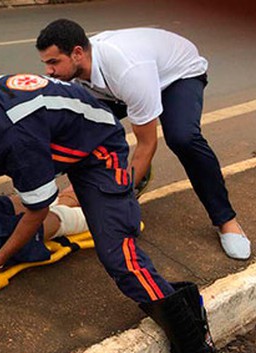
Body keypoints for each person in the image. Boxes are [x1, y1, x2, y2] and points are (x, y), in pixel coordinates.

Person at [0, 69, 221, 353]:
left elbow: (37, 212)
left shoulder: (18, 135)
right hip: (57, 137)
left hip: (98, 152)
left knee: (119, 256)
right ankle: (181, 302)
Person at [35, 19, 251, 261]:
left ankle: (226, 220)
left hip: (176, 75)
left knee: (183, 138)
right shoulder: (71, 74)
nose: (49, 71)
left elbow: (147, 143)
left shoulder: (128, 70)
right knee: (83, 129)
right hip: (124, 84)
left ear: (77, 53)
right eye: (46, 63)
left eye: (54, 62)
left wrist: (117, 204)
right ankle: (117, 179)